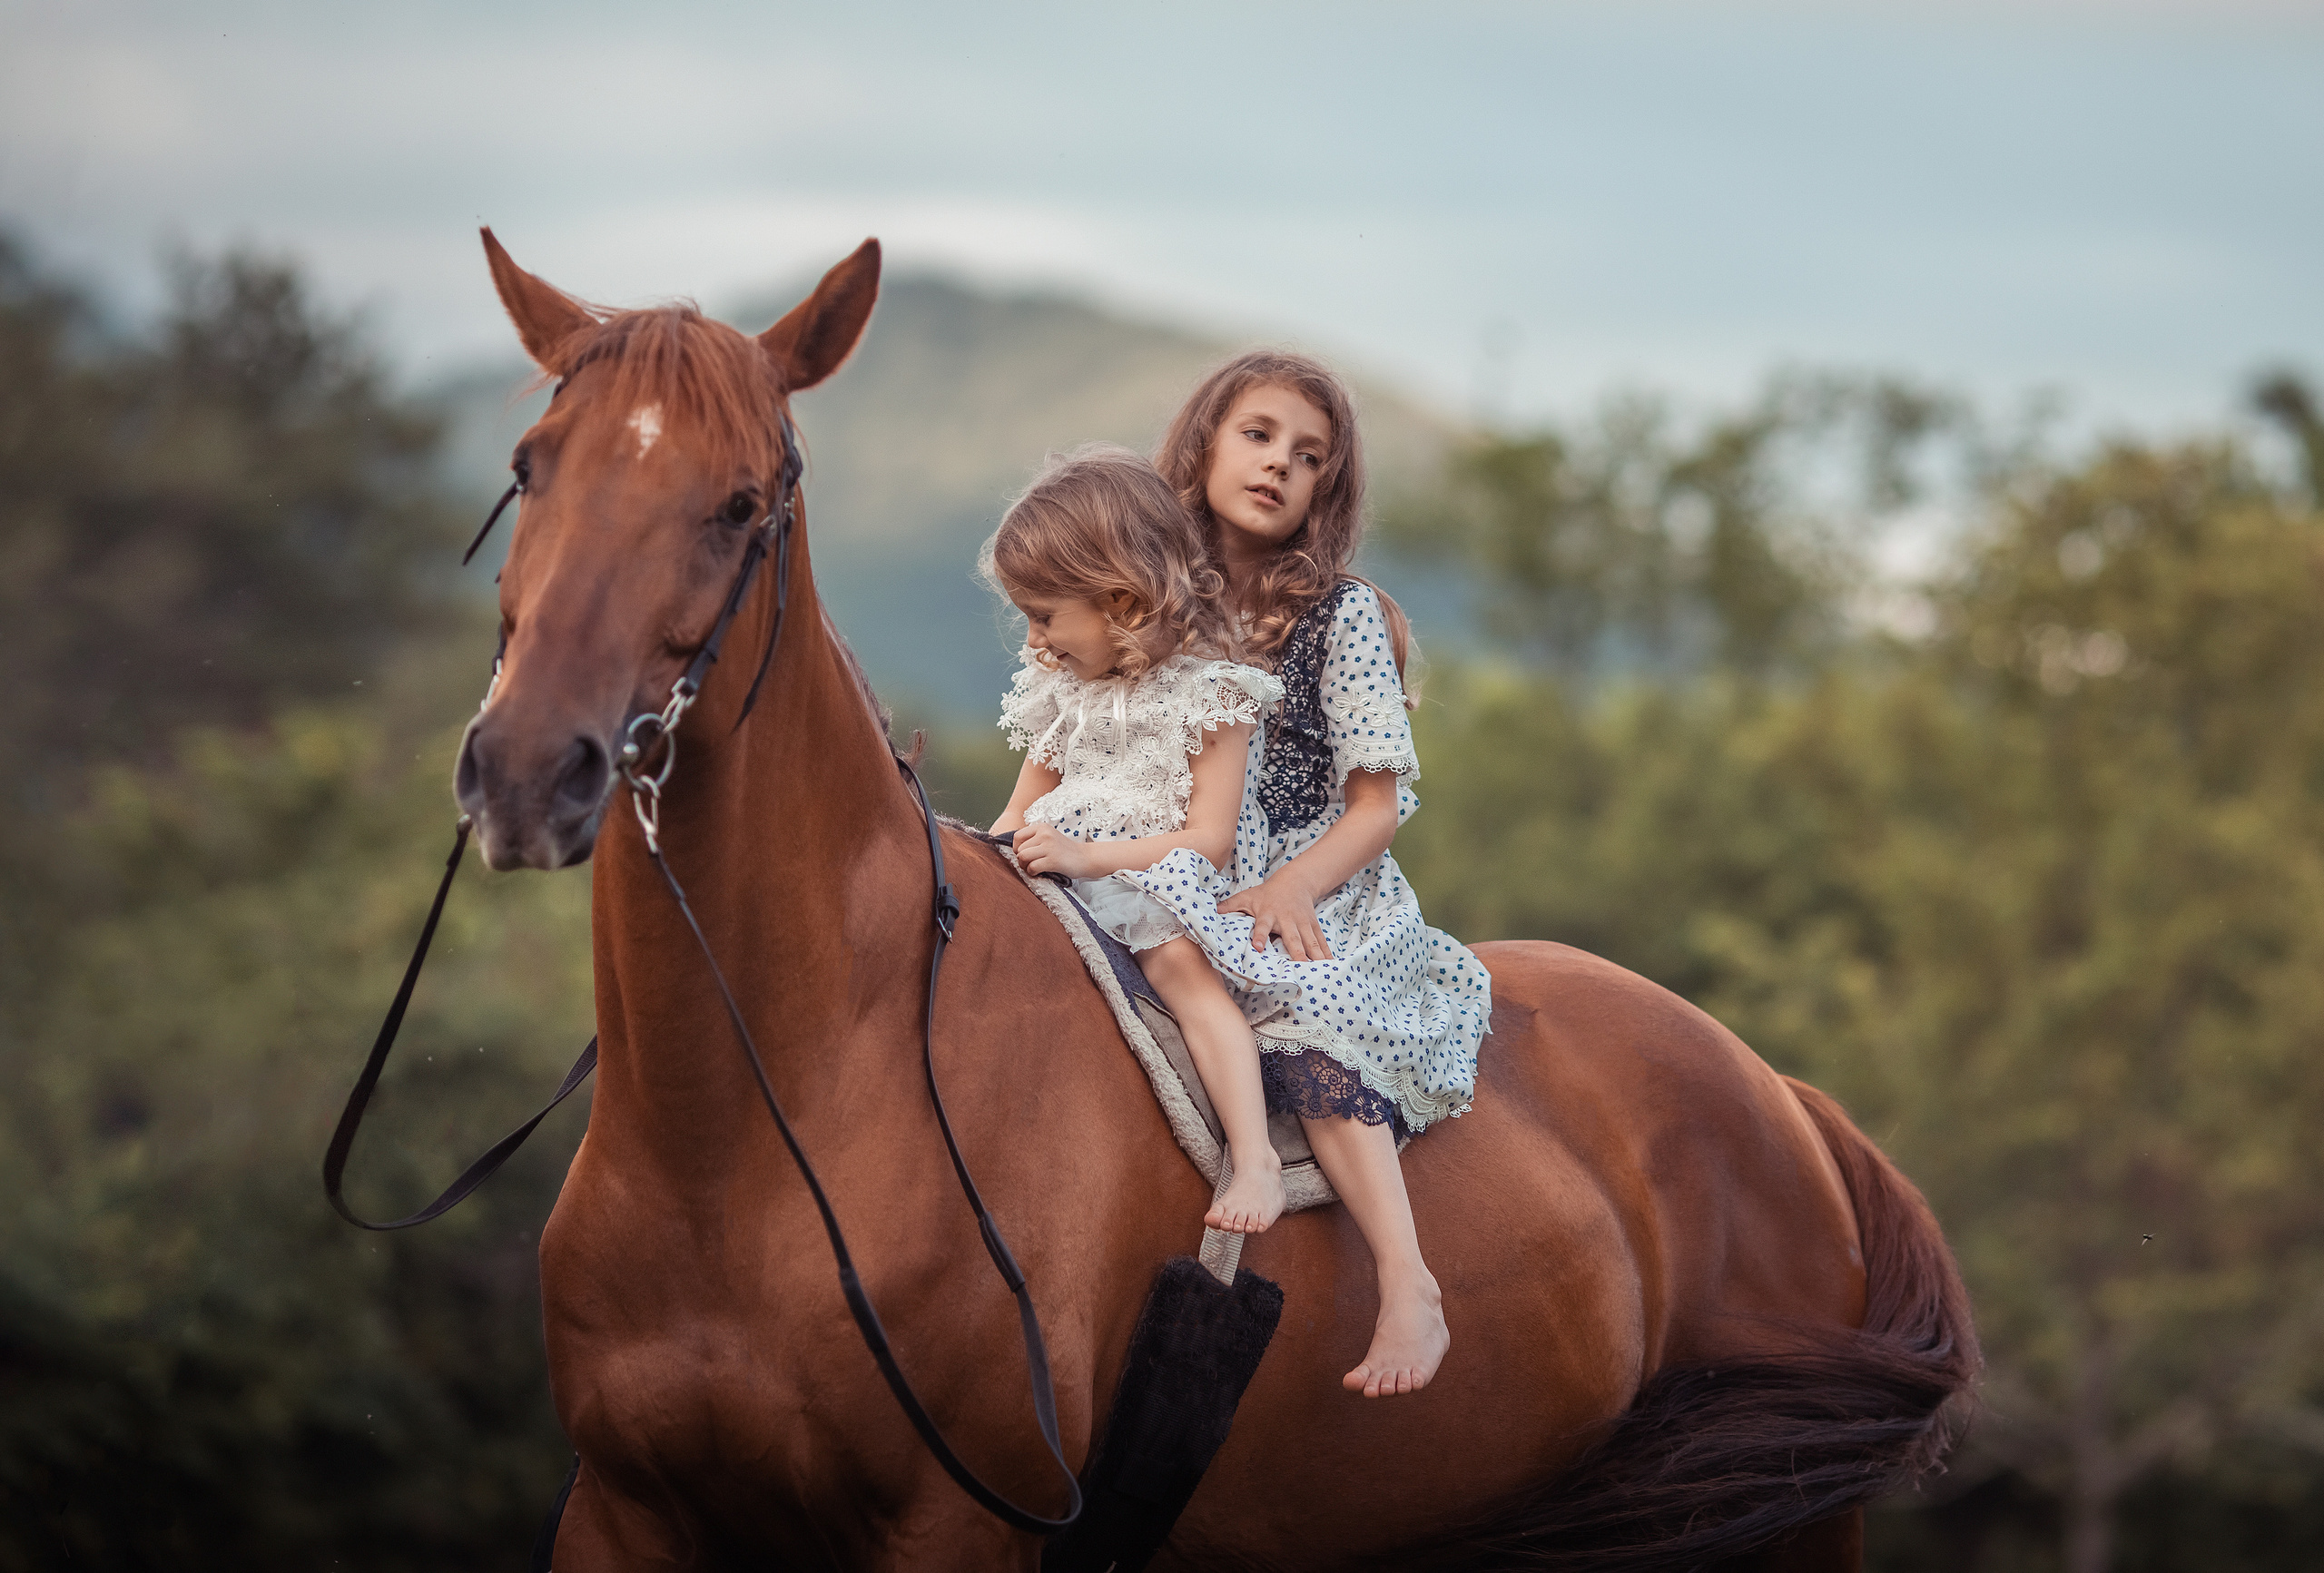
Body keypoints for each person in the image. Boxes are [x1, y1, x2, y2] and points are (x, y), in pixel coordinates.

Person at [1144, 349, 1493, 1398]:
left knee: (1304, 1007)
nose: (1277, 465)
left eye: (1308, 458)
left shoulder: (1338, 616)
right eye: (1257, 436)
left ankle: (1407, 1281)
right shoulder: (1148, 596)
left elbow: (1376, 806)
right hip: (1170, 850)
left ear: (1324, 493)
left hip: (1314, 874)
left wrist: (1292, 886)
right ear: (1204, 441)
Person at [985, 445, 1291, 1236]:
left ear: (1120, 601)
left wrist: (1090, 859)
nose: (1035, 639)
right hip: (1057, 870)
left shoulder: (1213, 695)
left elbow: (1209, 840)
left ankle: (1254, 1153)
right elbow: (1019, 810)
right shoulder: (1060, 692)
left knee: (1180, 967)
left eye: (1045, 615)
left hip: (1156, 880)